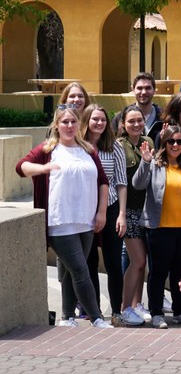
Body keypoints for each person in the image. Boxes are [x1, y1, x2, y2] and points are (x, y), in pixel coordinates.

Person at [16, 106, 113, 329]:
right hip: (59, 222)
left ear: (79, 125)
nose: (69, 126)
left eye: (73, 122)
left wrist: (101, 212)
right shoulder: (48, 149)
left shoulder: (88, 150)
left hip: (86, 221)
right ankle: (96, 317)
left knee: (72, 271)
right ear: (56, 126)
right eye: (64, 122)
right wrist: (43, 168)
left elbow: (103, 182)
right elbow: (21, 167)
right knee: (81, 269)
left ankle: (67, 316)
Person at [133, 125, 181, 329]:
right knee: (158, 272)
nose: (175, 145)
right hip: (160, 228)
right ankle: (157, 312)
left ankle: (179, 311)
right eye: (171, 141)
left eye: (179, 141)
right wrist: (145, 161)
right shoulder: (155, 164)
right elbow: (138, 184)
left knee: (180, 272)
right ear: (163, 143)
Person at [80, 105, 128, 325]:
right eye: (94, 119)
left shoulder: (114, 147)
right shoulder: (78, 147)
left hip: (109, 208)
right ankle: (94, 312)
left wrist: (121, 215)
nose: (99, 123)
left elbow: (121, 182)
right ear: (87, 121)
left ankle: (116, 311)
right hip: (84, 211)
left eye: (102, 120)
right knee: (88, 262)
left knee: (113, 264)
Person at [116, 105, 154, 326]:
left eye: (139, 120)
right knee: (137, 261)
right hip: (128, 210)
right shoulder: (119, 146)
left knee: (142, 262)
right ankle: (124, 307)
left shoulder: (147, 142)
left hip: (146, 210)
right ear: (123, 124)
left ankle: (138, 304)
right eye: (131, 121)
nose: (136, 124)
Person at [111, 72, 164, 139]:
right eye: (139, 88)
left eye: (148, 88)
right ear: (133, 90)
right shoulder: (120, 118)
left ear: (154, 90)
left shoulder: (164, 118)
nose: (144, 92)